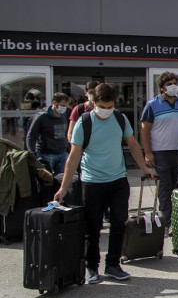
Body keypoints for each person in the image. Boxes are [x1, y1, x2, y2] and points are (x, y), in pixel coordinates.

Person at [54, 83, 154, 284]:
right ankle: (91, 266)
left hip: (117, 180)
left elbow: (133, 145)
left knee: (119, 223)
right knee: (93, 227)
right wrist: (63, 188)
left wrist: (145, 168)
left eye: (110, 106)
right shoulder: (84, 123)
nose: (107, 110)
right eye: (103, 106)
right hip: (92, 182)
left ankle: (113, 264)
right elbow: (73, 157)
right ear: (93, 102)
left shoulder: (119, 118)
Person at [140, 72, 178, 230]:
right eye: (169, 84)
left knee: (174, 185)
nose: (173, 86)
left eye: (174, 83)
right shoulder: (152, 105)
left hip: (177, 151)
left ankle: (171, 216)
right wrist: (148, 152)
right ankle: (166, 221)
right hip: (160, 152)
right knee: (165, 187)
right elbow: (145, 129)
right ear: (162, 88)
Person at [26, 92, 70, 174]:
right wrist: (32, 154)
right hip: (46, 155)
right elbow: (31, 136)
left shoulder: (64, 115)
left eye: (66, 106)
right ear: (54, 103)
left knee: (62, 180)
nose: (64, 108)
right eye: (62, 105)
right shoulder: (41, 117)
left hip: (62, 154)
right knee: (46, 182)